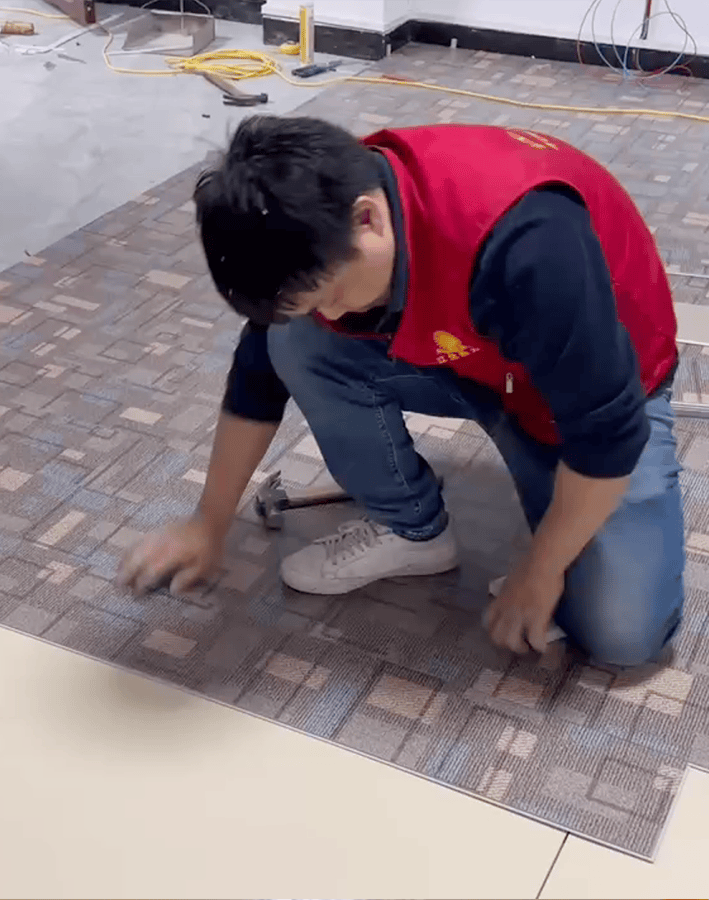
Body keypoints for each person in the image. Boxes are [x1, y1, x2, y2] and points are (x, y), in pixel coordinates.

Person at [120, 115, 684, 667]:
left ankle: (555, 515)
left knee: (623, 634)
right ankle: (412, 528)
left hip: (589, 397)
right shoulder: (311, 222)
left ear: (367, 218)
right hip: (474, 361)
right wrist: (209, 523)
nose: (329, 315)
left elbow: (608, 433)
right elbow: (257, 372)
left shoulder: (528, 244)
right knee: (289, 341)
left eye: (330, 295)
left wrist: (541, 570)